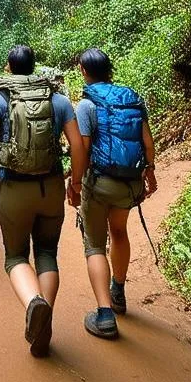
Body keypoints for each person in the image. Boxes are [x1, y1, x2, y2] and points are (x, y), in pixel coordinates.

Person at [0, 44, 85, 358]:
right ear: (34, 66)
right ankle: (45, 318)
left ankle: (33, 304)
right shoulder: (58, 97)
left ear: (8, 68)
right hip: (49, 186)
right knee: (47, 252)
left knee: (16, 256)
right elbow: (77, 145)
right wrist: (75, 184)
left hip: (14, 188)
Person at [74, 47, 158, 339]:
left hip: (98, 183)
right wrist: (150, 171)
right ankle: (118, 292)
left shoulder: (86, 105)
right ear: (110, 70)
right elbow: (147, 141)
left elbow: (82, 149)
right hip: (128, 182)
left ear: (84, 72)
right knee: (119, 232)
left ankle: (105, 314)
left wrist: (74, 183)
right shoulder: (131, 98)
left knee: (95, 245)